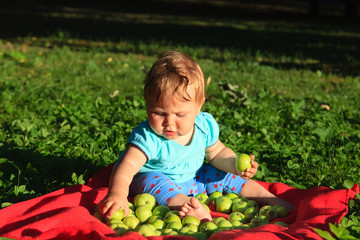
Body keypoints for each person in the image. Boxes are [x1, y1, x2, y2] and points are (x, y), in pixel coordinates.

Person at [99, 51, 294, 222]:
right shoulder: (148, 137)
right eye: (159, 113)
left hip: (195, 176)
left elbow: (217, 153)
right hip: (154, 179)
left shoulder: (203, 126)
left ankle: (269, 199)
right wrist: (118, 194)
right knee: (156, 183)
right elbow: (126, 167)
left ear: (199, 106)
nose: (169, 122)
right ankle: (191, 211)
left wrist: (235, 165)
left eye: (180, 114)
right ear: (147, 104)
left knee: (226, 177)